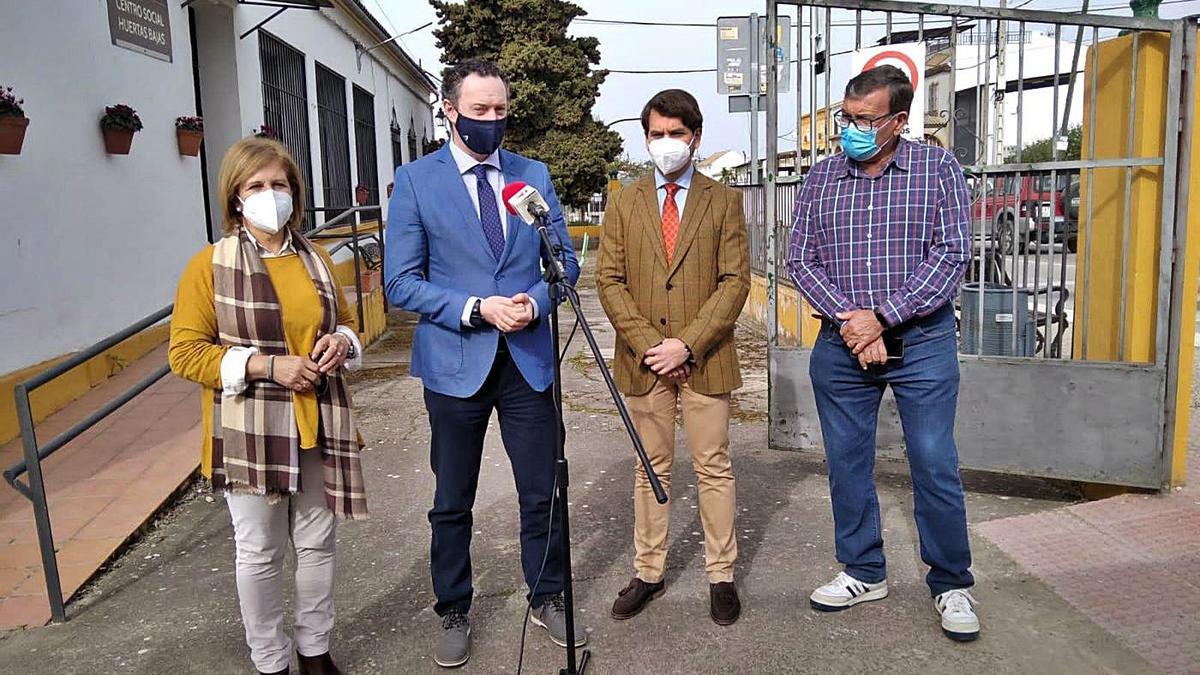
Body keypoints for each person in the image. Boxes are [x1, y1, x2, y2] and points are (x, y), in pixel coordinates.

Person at [384, 58, 583, 668]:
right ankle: (453, 606)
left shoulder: (533, 175)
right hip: (456, 362)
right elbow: (400, 282)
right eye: (479, 111)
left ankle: (546, 594)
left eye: (500, 110)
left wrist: (533, 300)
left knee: (540, 489)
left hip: (527, 361)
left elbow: (566, 265)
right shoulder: (417, 182)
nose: (492, 121)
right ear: (450, 111)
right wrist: (475, 306)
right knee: (453, 496)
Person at [786, 65, 978, 641]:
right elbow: (799, 258)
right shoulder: (822, 177)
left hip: (921, 343)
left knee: (933, 461)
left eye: (865, 120)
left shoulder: (936, 168)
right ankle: (864, 570)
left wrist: (883, 318)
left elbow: (951, 255)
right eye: (846, 118)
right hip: (843, 344)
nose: (852, 129)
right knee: (846, 463)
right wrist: (853, 324)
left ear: (898, 120)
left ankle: (951, 583)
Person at [169, 136, 368, 674]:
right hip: (251, 430)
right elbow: (185, 354)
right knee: (259, 551)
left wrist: (341, 343)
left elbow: (349, 323)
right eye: (255, 186)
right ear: (235, 197)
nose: (268, 194)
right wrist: (265, 365)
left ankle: (314, 649)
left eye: (278, 184)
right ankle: (269, 658)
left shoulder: (317, 259)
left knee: (318, 543)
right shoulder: (208, 265)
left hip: (317, 422)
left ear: (294, 192)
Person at [596, 89, 750, 626]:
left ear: (696, 137)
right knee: (650, 467)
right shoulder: (624, 200)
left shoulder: (723, 201)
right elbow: (609, 281)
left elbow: (735, 282)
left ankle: (721, 574)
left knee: (713, 465)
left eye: (676, 134)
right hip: (644, 360)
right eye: (657, 134)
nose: (667, 144)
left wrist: (687, 344)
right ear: (646, 138)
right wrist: (651, 346)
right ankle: (649, 571)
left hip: (706, 356)